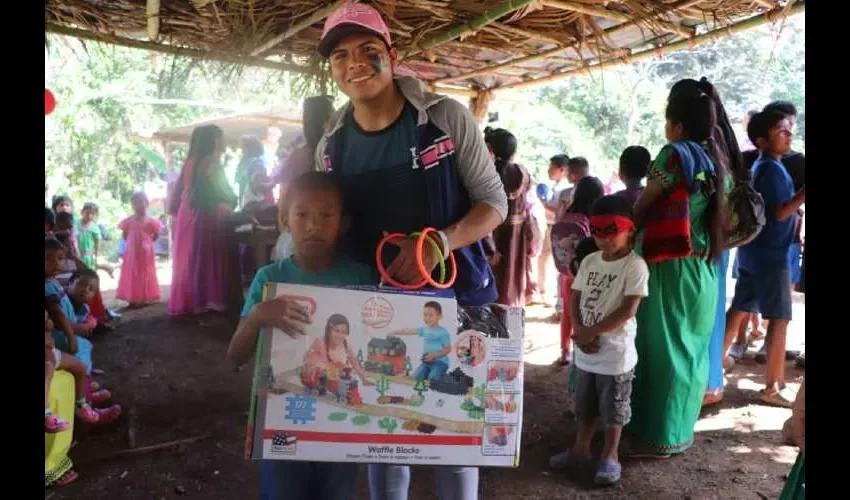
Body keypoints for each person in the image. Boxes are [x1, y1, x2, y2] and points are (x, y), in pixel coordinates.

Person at [314, 3, 508, 498]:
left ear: (392, 54)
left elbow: (494, 204)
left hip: (456, 298)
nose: (354, 63)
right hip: (373, 308)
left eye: (368, 50)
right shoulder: (331, 146)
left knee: (455, 432)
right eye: (340, 55)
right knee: (383, 434)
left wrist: (437, 244)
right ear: (331, 67)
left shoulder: (444, 119)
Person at [226, 172, 373, 500]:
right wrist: (257, 317)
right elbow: (235, 356)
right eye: (302, 215)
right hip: (283, 422)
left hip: (341, 426)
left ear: (343, 223)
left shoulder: (361, 277)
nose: (313, 225)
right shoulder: (270, 278)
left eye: (326, 216)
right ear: (284, 221)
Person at [627, 78, 728, 458]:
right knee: (692, 349)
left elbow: (644, 205)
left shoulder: (674, 156)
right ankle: (678, 432)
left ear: (678, 125)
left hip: (669, 266)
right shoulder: (718, 159)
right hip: (705, 268)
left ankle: (653, 436)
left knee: (661, 349)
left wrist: (623, 228)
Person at [550, 195, 648, 485]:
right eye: (597, 231)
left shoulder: (635, 266)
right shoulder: (591, 260)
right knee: (584, 406)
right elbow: (576, 295)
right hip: (586, 352)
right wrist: (579, 330)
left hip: (615, 356)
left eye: (611, 230)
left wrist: (591, 332)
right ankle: (580, 449)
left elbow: (628, 309)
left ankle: (610, 455)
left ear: (629, 228)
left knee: (614, 409)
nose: (603, 238)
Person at [723, 109, 804, 407]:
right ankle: (772, 386)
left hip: (755, 252)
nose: (789, 134)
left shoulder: (766, 166)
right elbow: (780, 212)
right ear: (761, 140)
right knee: (779, 319)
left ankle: (714, 367)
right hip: (772, 254)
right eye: (781, 131)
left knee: (740, 308)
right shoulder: (770, 168)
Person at [169, 125, 238, 320]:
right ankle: (209, 301)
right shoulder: (212, 161)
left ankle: (191, 302)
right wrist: (233, 200)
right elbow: (222, 188)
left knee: (189, 258)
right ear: (213, 140)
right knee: (208, 256)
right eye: (221, 137)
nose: (223, 141)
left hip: (186, 211)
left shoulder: (189, 162)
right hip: (206, 213)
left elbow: (180, 189)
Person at [273, 96, 336, 262]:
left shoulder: (297, 157)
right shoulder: (332, 154)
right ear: (326, 119)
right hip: (328, 238)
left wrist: (288, 231)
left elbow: (283, 204)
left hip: (300, 237)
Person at [551, 176, 605, 365]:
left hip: (567, 275)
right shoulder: (592, 219)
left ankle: (564, 350)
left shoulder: (567, 214)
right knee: (583, 313)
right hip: (587, 277)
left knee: (567, 313)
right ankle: (580, 350)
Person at [488, 128, 532, 307]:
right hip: (516, 234)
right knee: (512, 276)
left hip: (489, 230)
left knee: (493, 275)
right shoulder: (523, 174)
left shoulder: (487, 173)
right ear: (514, 151)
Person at [117, 192, 164, 307]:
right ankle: (133, 298)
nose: (138, 206)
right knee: (133, 272)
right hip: (132, 252)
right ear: (132, 206)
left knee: (144, 271)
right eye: (135, 204)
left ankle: (144, 297)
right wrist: (133, 243)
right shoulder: (128, 221)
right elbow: (124, 235)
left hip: (146, 252)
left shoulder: (152, 221)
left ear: (147, 204)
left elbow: (156, 235)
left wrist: (147, 242)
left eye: (140, 202)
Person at [302, 313, 374, 388]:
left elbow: (355, 364)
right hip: (319, 377)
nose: (340, 335)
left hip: (335, 378)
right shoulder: (320, 342)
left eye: (344, 332)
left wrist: (364, 379)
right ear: (328, 331)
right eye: (336, 331)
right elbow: (307, 359)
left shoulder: (346, 345)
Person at [410, 302, 453, 381]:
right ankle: (429, 374)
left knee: (432, 379)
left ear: (439, 316)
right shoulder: (425, 329)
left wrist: (434, 355)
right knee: (415, 378)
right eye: (425, 315)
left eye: (430, 315)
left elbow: (448, 349)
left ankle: (445, 377)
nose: (427, 318)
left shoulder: (443, 332)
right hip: (427, 362)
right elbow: (410, 331)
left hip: (440, 362)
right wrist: (393, 331)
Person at [236, 135, 274, 212]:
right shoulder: (257, 163)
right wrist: (271, 184)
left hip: (243, 202)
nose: (242, 150)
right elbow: (257, 186)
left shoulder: (242, 163)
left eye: (243, 147)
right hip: (255, 204)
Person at [76, 202, 101, 269]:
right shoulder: (75, 224)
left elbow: (97, 243)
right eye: (87, 213)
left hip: (89, 258)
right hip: (75, 256)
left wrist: (97, 257)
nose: (90, 216)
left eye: (93, 214)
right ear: (82, 212)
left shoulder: (95, 228)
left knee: (88, 276)